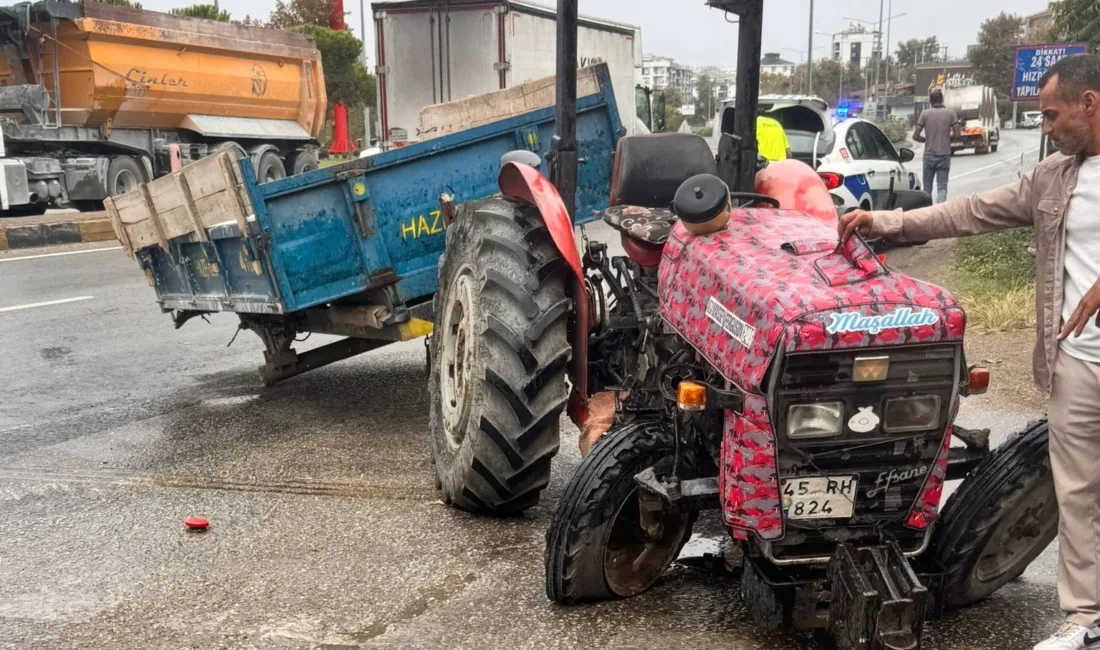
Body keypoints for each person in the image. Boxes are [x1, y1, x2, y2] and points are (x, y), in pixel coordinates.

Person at [838, 54, 1100, 650]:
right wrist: (887, 222)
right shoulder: (1055, 178)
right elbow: (969, 212)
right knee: (1078, 492)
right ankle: (1086, 620)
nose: (1047, 129)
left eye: (1054, 115)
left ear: (1090, 104)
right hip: (1079, 360)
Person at [913, 89, 961, 203]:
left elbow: (915, 136)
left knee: (927, 189)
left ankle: (928, 215)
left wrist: (926, 140)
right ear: (942, 100)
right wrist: (948, 138)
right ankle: (939, 212)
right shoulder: (951, 113)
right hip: (944, 155)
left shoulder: (924, 114)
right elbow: (958, 134)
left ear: (930, 101)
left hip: (929, 156)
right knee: (942, 188)